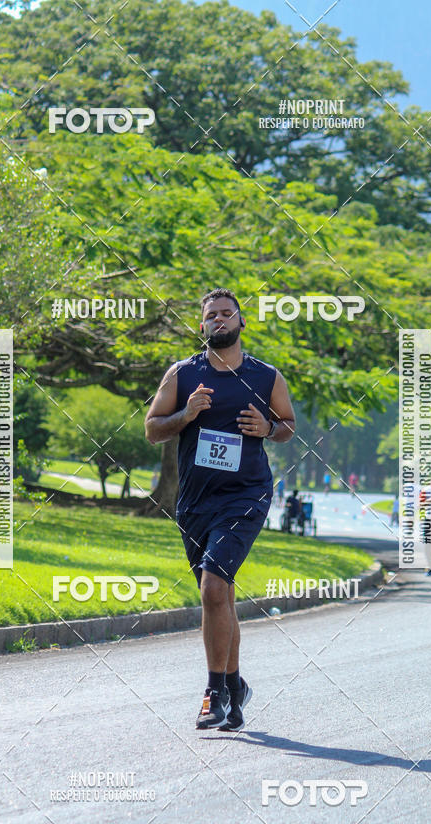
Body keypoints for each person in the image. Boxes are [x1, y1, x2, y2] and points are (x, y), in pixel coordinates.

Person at [145, 287, 295, 731]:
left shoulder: (267, 377)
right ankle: (234, 689)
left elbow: (288, 426)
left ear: (241, 322)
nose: (219, 321)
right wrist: (186, 415)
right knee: (221, 595)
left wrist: (269, 427)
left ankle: (213, 695)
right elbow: (152, 429)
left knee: (213, 588)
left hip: (246, 496)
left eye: (227, 314)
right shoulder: (182, 375)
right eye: (211, 316)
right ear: (201, 325)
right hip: (194, 502)